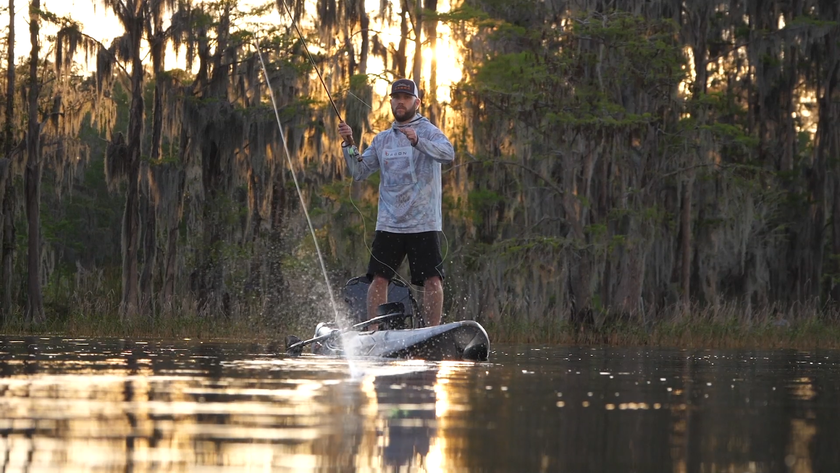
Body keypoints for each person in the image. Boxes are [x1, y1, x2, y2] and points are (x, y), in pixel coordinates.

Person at [338, 78, 454, 326]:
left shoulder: (428, 131)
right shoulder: (382, 140)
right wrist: (349, 145)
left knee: (433, 279)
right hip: (389, 223)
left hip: (423, 222)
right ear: (391, 101)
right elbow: (360, 171)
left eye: (406, 98)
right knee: (379, 279)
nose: (400, 102)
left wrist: (418, 142)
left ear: (416, 102)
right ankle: (374, 332)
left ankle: (432, 331)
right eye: (396, 98)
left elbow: (448, 154)